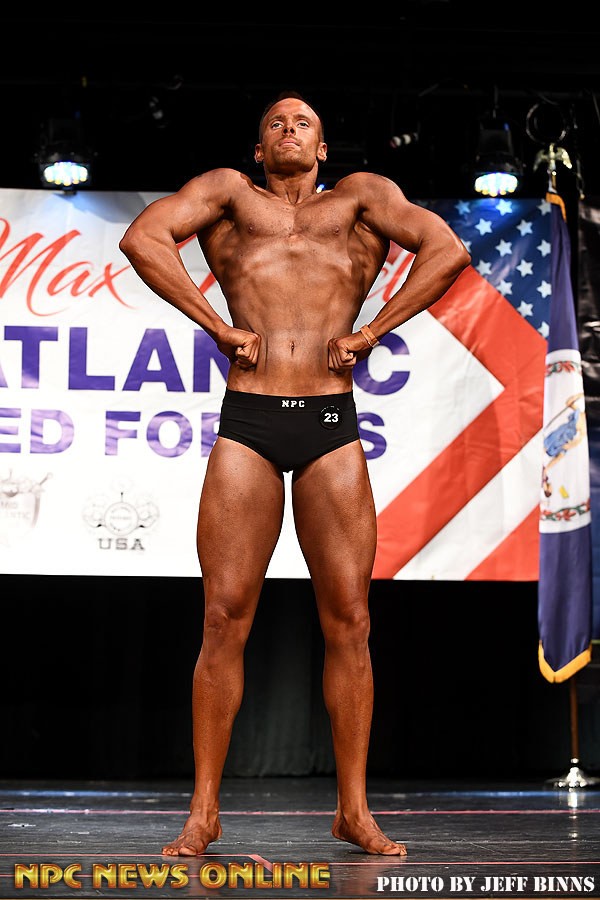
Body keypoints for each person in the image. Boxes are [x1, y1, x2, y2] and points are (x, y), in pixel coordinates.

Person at [119, 90, 471, 857]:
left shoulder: (361, 199)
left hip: (329, 425)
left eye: (303, 122)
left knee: (351, 621)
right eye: (275, 122)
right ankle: (204, 813)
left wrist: (371, 331)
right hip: (247, 421)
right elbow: (143, 238)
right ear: (258, 148)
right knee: (223, 618)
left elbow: (447, 250)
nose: (288, 128)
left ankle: (354, 810)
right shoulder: (227, 194)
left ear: (322, 148)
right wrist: (216, 325)